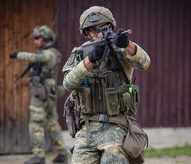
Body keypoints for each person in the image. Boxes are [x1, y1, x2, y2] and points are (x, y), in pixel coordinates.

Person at [62, 6, 151, 164]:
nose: (98, 33)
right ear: (86, 33)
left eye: (102, 28)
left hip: (116, 127)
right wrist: (90, 60)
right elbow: (67, 83)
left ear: (111, 27)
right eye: (92, 30)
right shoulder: (80, 53)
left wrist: (127, 44)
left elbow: (145, 63)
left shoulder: (121, 49)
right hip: (86, 130)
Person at [10, 25, 68, 164]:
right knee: (52, 123)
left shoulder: (49, 53)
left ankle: (39, 156)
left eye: (37, 38)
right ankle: (62, 154)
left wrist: (17, 54)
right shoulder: (50, 52)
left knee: (36, 123)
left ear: (46, 38)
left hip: (42, 95)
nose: (34, 41)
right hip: (47, 94)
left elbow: (35, 57)